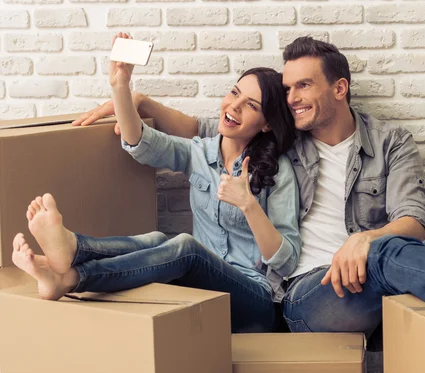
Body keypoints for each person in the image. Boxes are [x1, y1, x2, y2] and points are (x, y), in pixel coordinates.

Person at [72, 36, 425, 340]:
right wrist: (137, 98)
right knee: (387, 250)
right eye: (286, 89)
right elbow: (210, 130)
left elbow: (416, 219)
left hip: (372, 277)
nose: (290, 98)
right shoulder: (283, 142)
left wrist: (365, 238)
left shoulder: (389, 141)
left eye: (302, 87)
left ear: (339, 88)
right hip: (304, 294)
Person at [11, 33, 301, 334]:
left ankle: (72, 278)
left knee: (186, 247)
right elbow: (140, 141)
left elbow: (286, 260)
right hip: (204, 292)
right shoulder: (199, 152)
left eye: (250, 105)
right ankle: (71, 250)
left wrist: (248, 205)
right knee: (157, 238)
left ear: (267, 123)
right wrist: (120, 85)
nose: (234, 105)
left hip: (255, 302)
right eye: (234, 92)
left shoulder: (276, 171)